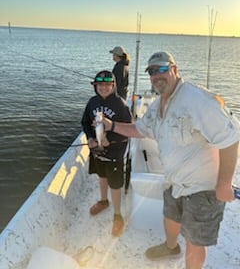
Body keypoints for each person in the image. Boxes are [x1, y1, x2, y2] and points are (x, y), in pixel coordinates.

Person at [102, 51, 240, 268]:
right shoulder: (157, 105)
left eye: (162, 69)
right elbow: (139, 129)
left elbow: (231, 139)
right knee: (170, 218)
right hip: (175, 180)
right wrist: (110, 126)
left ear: (175, 70)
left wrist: (223, 183)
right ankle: (170, 247)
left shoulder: (197, 99)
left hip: (203, 188)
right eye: (152, 71)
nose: (157, 75)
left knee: (194, 242)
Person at [81, 70, 132, 237]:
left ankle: (117, 215)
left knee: (115, 184)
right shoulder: (92, 102)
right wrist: (89, 138)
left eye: (107, 85)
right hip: (97, 151)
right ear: (95, 87)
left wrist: (112, 141)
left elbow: (129, 131)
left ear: (113, 85)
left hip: (115, 154)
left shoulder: (121, 105)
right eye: (100, 85)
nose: (103, 88)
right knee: (101, 176)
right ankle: (103, 201)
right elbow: (85, 122)